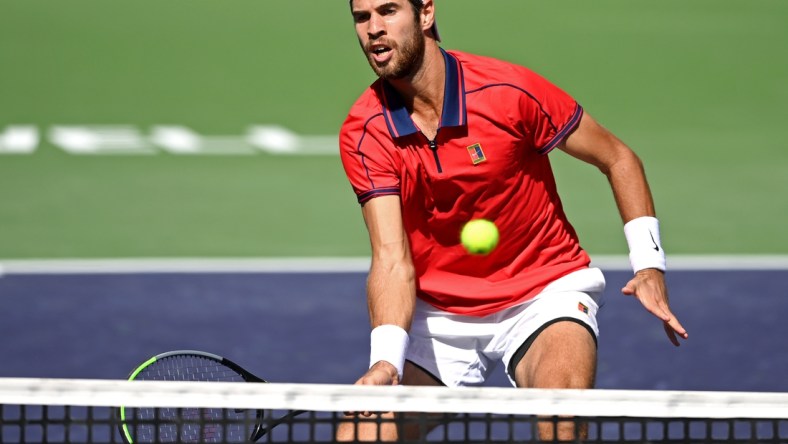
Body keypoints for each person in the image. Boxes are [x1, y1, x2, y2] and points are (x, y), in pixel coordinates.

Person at [337, 0, 689, 441]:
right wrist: (386, 361)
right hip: (441, 314)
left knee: (561, 419)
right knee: (363, 435)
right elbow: (390, 258)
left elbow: (618, 158)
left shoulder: (508, 91)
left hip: (541, 293)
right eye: (362, 17)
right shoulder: (365, 129)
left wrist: (649, 264)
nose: (373, 29)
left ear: (426, 13)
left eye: (388, 11)